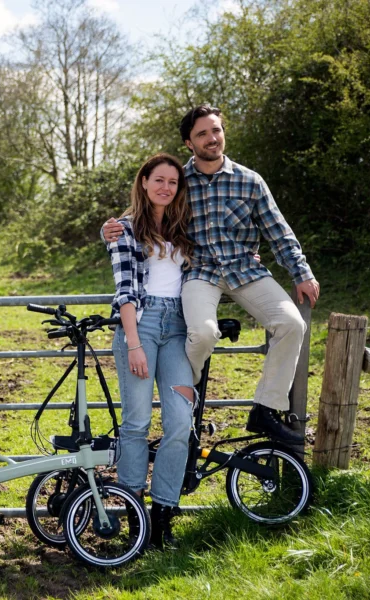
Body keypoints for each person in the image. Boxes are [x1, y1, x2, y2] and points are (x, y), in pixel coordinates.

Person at [103, 105, 320, 444]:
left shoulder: (250, 181)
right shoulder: (180, 181)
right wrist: (112, 228)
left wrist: (301, 272)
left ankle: (265, 408)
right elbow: (147, 208)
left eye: (215, 130)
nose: (211, 138)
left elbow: (279, 231)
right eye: (202, 134)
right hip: (199, 271)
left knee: (292, 324)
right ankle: (184, 403)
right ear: (189, 143)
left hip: (245, 268)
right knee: (203, 333)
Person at [107, 153, 196, 549]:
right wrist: (134, 343)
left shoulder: (184, 228)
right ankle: (134, 518)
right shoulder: (123, 229)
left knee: (180, 420)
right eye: (158, 179)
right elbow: (125, 289)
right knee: (137, 424)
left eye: (172, 182)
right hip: (139, 326)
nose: (165, 187)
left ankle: (163, 516)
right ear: (144, 182)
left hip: (177, 327)